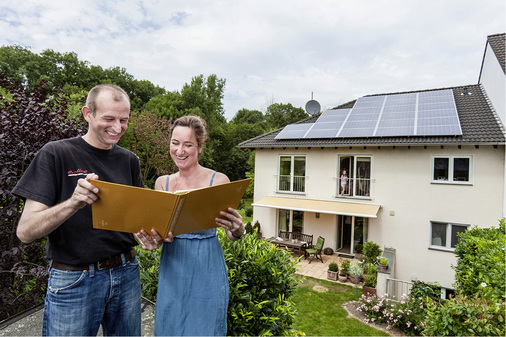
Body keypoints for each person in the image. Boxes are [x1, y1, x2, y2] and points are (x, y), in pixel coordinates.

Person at [12, 84, 143, 336]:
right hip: (75, 280)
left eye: (123, 120)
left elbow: (135, 222)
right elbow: (26, 232)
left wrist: (150, 234)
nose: (118, 127)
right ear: (87, 114)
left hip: (127, 273)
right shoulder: (56, 153)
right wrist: (73, 203)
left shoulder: (129, 160)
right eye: (109, 118)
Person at [135, 115, 245, 336]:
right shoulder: (162, 183)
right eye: (175, 143)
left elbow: (232, 233)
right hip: (173, 266)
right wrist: (153, 240)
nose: (180, 150)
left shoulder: (218, 180)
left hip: (207, 265)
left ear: (200, 146)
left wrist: (238, 229)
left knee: (204, 327)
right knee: (171, 325)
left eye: (188, 144)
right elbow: (158, 234)